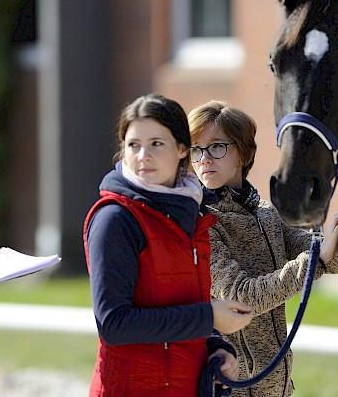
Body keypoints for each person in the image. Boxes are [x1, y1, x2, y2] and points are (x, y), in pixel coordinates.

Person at [83, 94, 254, 396]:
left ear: (182, 149)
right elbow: (113, 324)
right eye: (133, 144)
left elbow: (181, 306)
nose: (143, 155)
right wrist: (208, 318)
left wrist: (216, 347)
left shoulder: (193, 214)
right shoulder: (115, 219)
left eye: (156, 144)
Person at [188, 100, 338, 397]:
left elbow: (332, 259)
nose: (204, 159)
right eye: (196, 149)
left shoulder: (265, 214)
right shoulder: (199, 223)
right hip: (230, 390)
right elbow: (244, 296)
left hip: (278, 389)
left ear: (242, 152)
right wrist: (319, 258)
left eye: (216, 146)